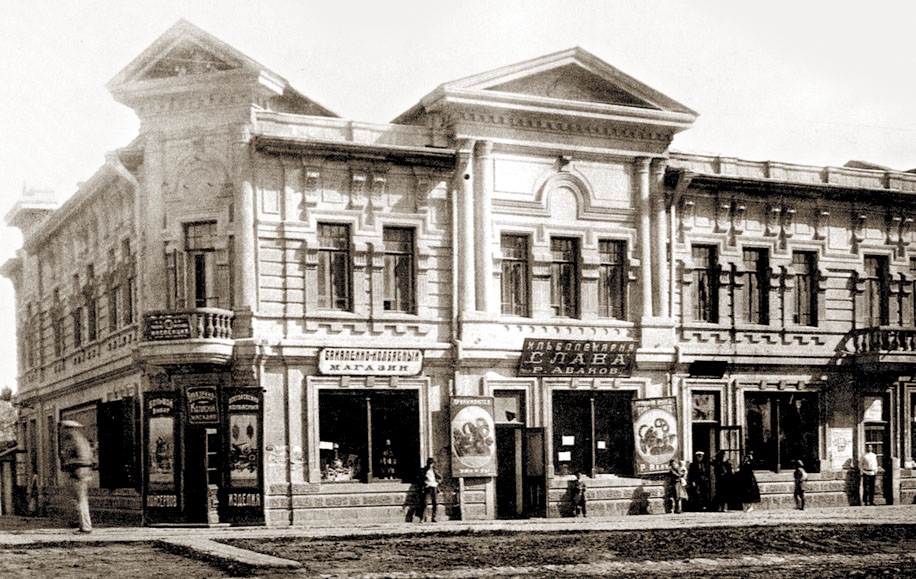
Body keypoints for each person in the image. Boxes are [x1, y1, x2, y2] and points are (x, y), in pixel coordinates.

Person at [59, 420, 93, 533]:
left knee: (80, 500)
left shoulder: (73, 440)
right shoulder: (81, 440)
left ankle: (85, 526)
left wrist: (68, 464)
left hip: (78, 472)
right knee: (79, 499)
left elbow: (80, 458)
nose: (62, 430)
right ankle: (81, 523)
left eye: (64, 428)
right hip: (81, 471)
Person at [416, 457, 441, 522]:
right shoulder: (424, 470)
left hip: (434, 487)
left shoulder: (435, 470)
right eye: (429, 463)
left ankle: (434, 517)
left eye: (431, 464)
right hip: (427, 487)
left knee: (435, 502)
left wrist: (437, 482)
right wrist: (424, 483)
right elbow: (420, 479)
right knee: (425, 503)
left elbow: (440, 477)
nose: (430, 465)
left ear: (433, 464)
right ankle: (422, 518)